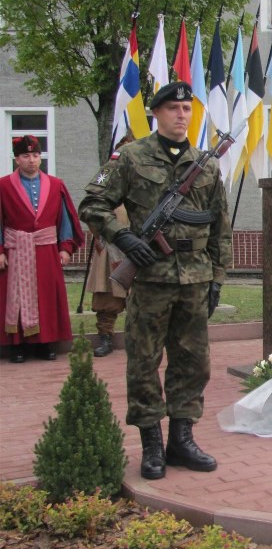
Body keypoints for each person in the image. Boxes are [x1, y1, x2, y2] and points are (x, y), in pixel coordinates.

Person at [79, 81, 233, 480]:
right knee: (144, 361)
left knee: (193, 362)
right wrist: (124, 236)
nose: (181, 115)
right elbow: (92, 204)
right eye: (173, 109)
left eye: (187, 109)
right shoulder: (131, 157)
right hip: (150, 278)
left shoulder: (206, 164)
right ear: (156, 113)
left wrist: (217, 278)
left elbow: (220, 227)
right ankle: (151, 444)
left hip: (195, 279)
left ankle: (181, 439)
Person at [0, 135, 84, 363]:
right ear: (17, 159)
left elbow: (64, 219)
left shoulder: (56, 185)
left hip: (46, 251)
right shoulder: (3, 185)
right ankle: (17, 346)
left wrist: (65, 247)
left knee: (46, 297)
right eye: (26, 156)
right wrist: (0, 251)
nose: (32, 160)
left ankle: (45, 344)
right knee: (15, 298)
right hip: (15, 251)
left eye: (36, 155)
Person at [86, 205, 129, 357]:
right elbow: (91, 212)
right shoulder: (105, 191)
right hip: (109, 246)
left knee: (143, 300)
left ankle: (142, 339)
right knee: (106, 299)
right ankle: (105, 338)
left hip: (140, 245)